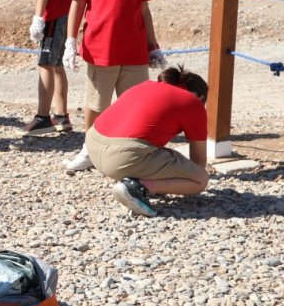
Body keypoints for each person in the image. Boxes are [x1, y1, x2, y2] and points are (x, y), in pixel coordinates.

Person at [62, 0, 168, 171]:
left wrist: (152, 46)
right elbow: (77, 2)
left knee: (136, 105)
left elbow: (143, 8)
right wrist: (70, 41)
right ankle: (90, 149)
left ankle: (133, 152)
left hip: (134, 49)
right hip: (101, 49)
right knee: (97, 104)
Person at [87, 67, 210, 217]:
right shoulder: (192, 102)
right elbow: (198, 162)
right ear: (200, 97)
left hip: (93, 145)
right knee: (201, 180)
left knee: (155, 153)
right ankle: (139, 187)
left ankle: (133, 179)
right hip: (122, 158)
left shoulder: (144, 85)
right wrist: (181, 182)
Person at [7, 0, 74, 136]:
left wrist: (38, 16)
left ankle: (43, 117)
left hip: (53, 15)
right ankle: (61, 115)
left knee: (45, 63)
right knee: (56, 64)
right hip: (65, 12)